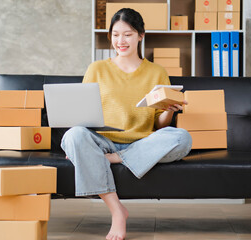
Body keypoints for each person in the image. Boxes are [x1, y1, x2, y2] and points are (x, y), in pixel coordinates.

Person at [61, 8, 192, 240]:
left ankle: (117, 159)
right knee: (72, 136)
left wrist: (167, 111)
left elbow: (160, 128)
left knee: (182, 138)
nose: (120, 41)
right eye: (115, 34)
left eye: (128, 34)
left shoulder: (157, 72)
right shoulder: (97, 69)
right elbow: (81, 118)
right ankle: (117, 211)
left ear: (141, 35)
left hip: (142, 142)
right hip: (103, 142)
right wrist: (79, 145)